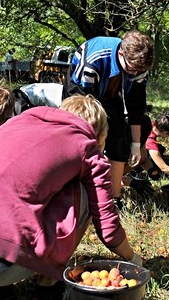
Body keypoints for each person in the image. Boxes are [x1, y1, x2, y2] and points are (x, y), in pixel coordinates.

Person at [0, 95, 143, 300]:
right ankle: (47, 283)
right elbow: (107, 227)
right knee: (85, 192)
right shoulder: (85, 147)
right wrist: (133, 259)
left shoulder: (16, 123)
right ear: (97, 134)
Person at [63, 30, 155, 210]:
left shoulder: (138, 67)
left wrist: (136, 145)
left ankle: (114, 197)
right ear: (121, 54)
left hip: (112, 92)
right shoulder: (94, 61)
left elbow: (136, 106)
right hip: (82, 93)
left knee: (119, 139)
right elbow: (85, 106)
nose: (135, 73)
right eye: (131, 69)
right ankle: (80, 192)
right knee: (86, 141)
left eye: (140, 71)